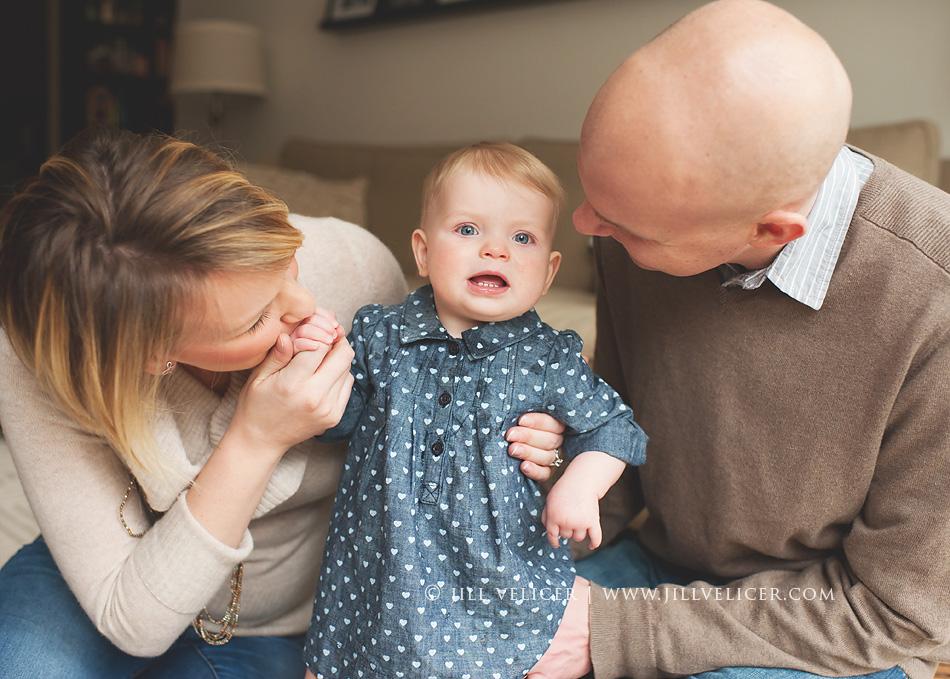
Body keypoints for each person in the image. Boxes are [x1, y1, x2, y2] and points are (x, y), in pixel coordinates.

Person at [0, 127, 564, 679]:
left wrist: (538, 446)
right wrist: (256, 438)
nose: (304, 303)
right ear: (152, 357)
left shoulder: (353, 264)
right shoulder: (42, 357)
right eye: (256, 318)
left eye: (286, 260)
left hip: (280, 618)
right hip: (112, 581)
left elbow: (440, 453)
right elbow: (133, 620)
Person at [525, 1, 950, 679]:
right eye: (592, 201)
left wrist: (617, 631)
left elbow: (896, 611)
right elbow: (617, 460)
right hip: (657, 568)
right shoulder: (619, 230)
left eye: (629, 227)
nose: (585, 225)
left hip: (832, 621)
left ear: (772, 232)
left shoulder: (934, 295)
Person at [301, 142, 648, 679]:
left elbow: (614, 429)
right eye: (468, 230)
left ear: (549, 272)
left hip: (496, 570)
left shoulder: (548, 357)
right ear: (421, 251)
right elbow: (337, 422)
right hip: (380, 562)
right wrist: (317, 363)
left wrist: (579, 485)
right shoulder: (381, 335)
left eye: (522, 237)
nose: (495, 251)